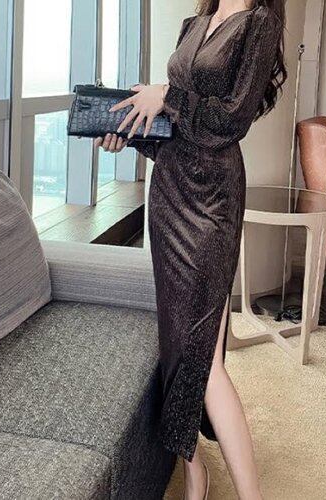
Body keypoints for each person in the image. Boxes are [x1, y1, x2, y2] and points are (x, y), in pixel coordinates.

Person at [95, 1, 287, 498]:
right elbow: (178, 131)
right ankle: (195, 469)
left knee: (205, 357)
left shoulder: (259, 23)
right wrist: (129, 134)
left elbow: (230, 121)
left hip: (212, 201)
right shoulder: (195, 24)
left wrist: (166, 95)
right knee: (178, 347)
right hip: (169, 193)